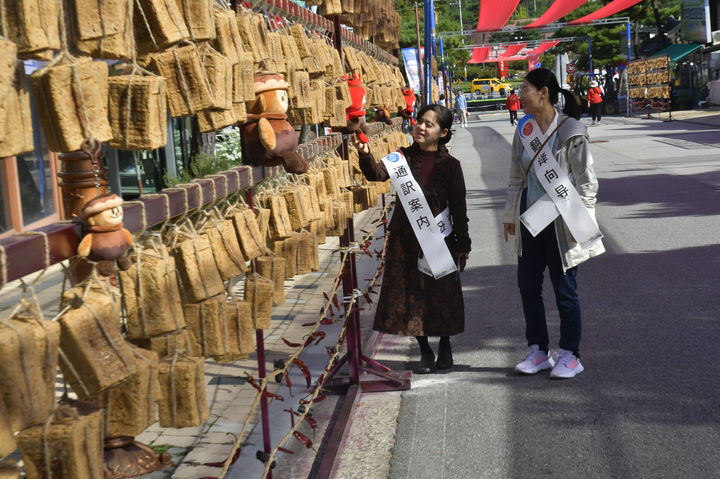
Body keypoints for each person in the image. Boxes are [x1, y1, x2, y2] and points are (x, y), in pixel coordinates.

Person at [502, 68, 604, 379]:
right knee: (527, 285)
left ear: (544, 92)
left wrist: (583, 221)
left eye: (526, 89)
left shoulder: (572, 130)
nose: (520, 95)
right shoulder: (524, 129)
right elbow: (516, 176)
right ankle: (538, 350)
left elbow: (587, 182)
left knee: (565, 289)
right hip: (531, 217)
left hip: (563, 221)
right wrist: (509, 214)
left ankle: (570, 354)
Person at [353, 104, 470, 374]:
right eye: (420, 121)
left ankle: (445, 344)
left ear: (443, 133)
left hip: (440, 238)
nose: (421, 127)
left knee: (443, 294)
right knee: (413, 296)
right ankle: (424, 349)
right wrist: (365, 153)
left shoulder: (451, 166)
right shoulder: (401, 158)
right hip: (407, 240)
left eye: (430, 124)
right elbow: (376, 174)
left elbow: (460, 208)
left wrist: (463, 245)